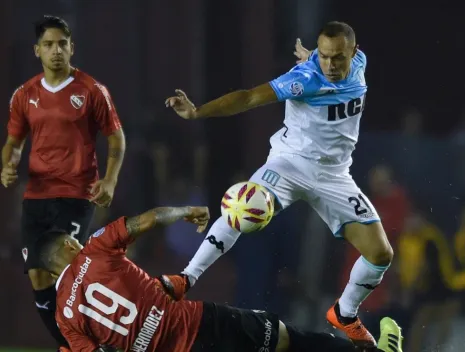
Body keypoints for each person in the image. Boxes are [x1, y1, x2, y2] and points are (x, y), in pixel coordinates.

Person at [165, 21, 393, 348]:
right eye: (324, 57)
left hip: (334, 176)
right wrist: (198, 112)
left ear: (353, 53)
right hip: (289, 165)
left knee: (380, 254)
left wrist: (312, 53)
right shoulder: (304, 79)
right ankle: (186, 277)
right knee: (243, 206)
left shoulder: (360, 63)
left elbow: (331, 54)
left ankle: (344, 313)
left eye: (336, 58)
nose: (329, 65)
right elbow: (248, 97)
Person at [36, 205, 403, 351]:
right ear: (70, 244)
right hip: (202, 324)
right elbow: (143, 221)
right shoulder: (95, 248)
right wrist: (185, 210)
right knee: (285, 339)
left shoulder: (65, 319)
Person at [1, 15, 126, 350]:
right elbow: (14, 143)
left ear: (72, 47)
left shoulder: (91, 90)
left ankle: (108, 336)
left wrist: (110, 181)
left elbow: (116, 138)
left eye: (62, 44)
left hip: (76, 195)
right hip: (36, 197)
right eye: (48, 44)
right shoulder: (24, 94)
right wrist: (7, 166)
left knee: (70, 274)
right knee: (39, 277)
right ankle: (74, 345)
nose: (56, 50)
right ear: (37, 50)